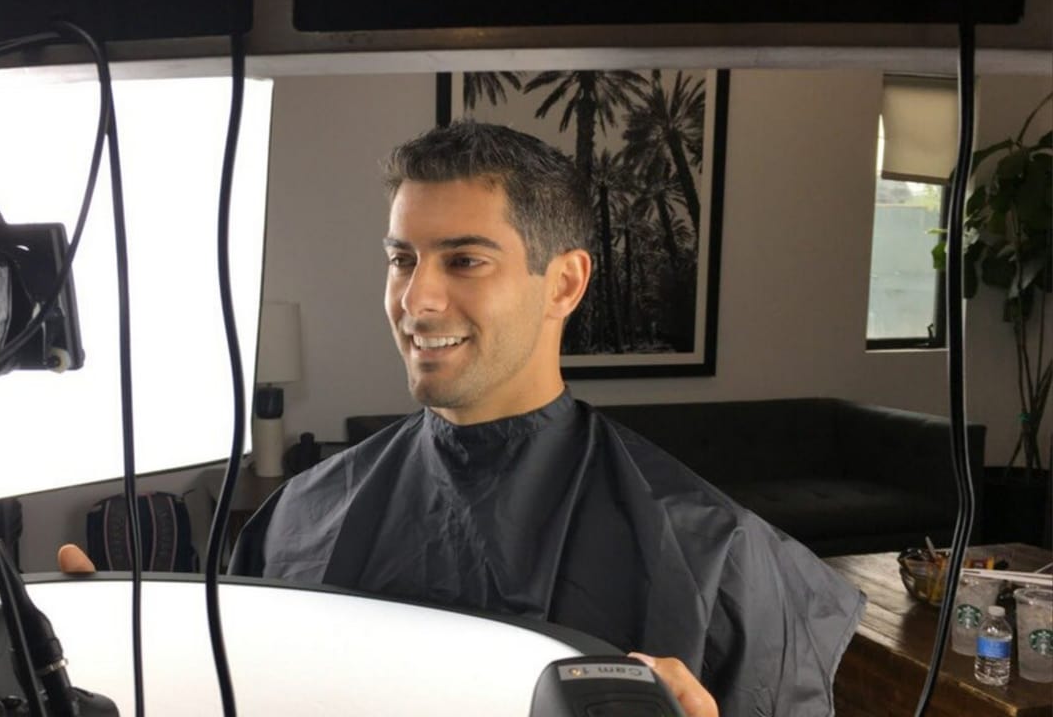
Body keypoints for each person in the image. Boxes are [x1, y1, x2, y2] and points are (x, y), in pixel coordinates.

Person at [231, 121, 865, 717]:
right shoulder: (298, 520)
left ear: (564, 284)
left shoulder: (716, 553)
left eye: (464, 260)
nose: (416, 299)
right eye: (402, 260)